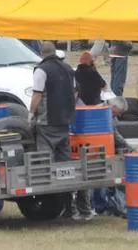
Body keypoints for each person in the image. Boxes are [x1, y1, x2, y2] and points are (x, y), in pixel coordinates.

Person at [30, 42, 89, 219]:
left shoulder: (41, 70)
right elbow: (75, 92)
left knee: (46, 166)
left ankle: (54, 204)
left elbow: (37, 94)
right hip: (65, 123)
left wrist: (31, 113)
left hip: (47, 124)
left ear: (42, 53)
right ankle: (74, 208)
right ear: (55, 52)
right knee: (67, 168)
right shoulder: (67, 68)